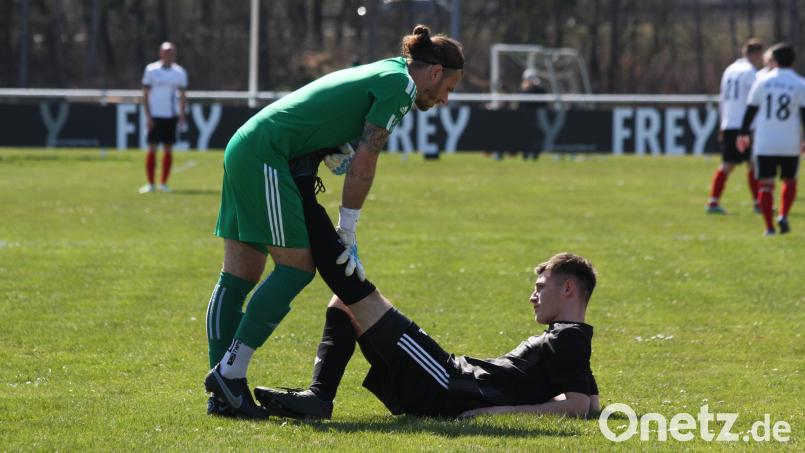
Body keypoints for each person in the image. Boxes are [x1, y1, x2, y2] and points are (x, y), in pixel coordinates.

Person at [203, 25, 464, 419]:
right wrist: (349, 227)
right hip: (267, 155)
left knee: (240, 275)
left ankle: (223, 391)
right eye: (450, 87)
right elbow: (364, 164)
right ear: (435, 72)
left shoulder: (387, 69)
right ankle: (229, 373)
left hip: (249, 143)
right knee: (296, 269)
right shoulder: (402, 87)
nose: (445, 98)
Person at [254, 252, 600, 420]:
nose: (533, 296)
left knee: (347, 296)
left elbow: (578, 407)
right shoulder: (571, 338)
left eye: (541, 288)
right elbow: (591, 403)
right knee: (346, 300)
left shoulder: (568, 338)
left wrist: (497, 412)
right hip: (449, 378)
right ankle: (317, 398)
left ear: (568, 288)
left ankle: (318, 398)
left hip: (448, 380)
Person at [737, 43, 805, 235]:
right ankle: (783, 214)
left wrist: (743, 133)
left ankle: (768, 227)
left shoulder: (762, 81)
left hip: (765, 141)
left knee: (766, 184)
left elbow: (750, 109)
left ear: (773, 60)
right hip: (789, 141)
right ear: (793, 61)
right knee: (789, 180)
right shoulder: (800, 84)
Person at [707, 39, 764, 214]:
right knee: (753, 164)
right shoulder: (751, 72)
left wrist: (722, 124)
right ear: (756, 54)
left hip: (729, 122)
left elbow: (722, 98)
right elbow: (756, 101)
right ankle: (758, 203)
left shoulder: (730, 70)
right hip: (745, 126)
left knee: (728, 164)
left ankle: (713, 202)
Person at [140, 42, 187, 193]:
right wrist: (148, 116)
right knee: (152, 147)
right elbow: (145, 95)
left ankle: (163, 183)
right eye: (166, 52)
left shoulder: (179, 72)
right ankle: (150, 184)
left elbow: (183, 96)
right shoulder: (151, 70)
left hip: (171, 116)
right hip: (155, 115)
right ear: (160, 53)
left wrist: (181, 114)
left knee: (168, 148)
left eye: (171, 52)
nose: (169, 54)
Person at [518, 68, 547, 160]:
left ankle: (535, 154)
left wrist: (536, 86)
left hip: (536, 116)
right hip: (525, 116)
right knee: (525, 135)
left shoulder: (539, 89)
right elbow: (521, 103)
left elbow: (543, 101)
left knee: (536, 135)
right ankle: (525, 154)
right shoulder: (522, 90)